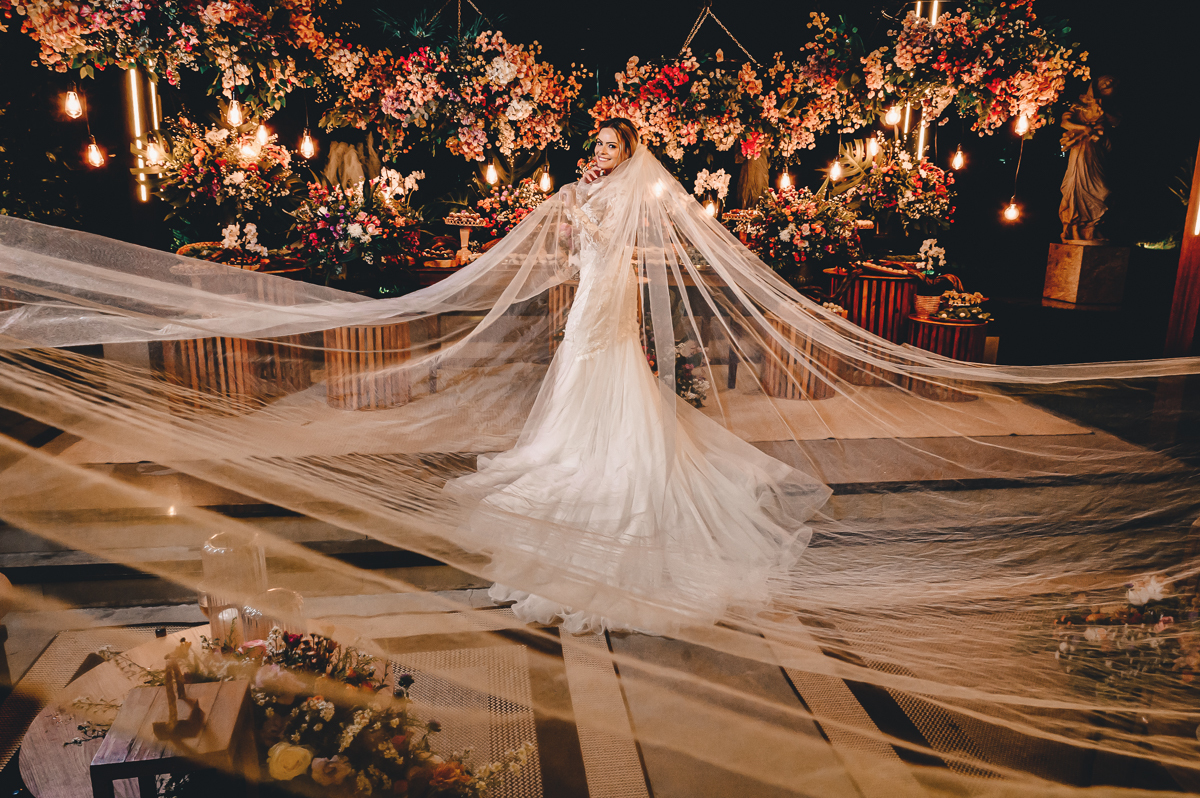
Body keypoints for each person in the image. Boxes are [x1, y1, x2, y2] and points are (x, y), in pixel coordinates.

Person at [445, 119, 831, 634]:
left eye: (612, 145)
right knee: (582, 357)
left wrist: (576, 206)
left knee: (596, 353)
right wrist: (576, 212)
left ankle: (604, 445)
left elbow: (611, 239)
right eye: (599, 143)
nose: (602, 151)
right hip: (593, 283)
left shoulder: (626, 190)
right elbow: (580, 249)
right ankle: (577, 435)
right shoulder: (595, 185)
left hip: (609, 287)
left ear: (628, 152)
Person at [1058, 76, 1119, 243]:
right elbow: (1065, 123)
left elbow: (1116, 122)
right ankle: (1076, 228)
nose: (1109, 84)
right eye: (1105, 82)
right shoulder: (1080, 105)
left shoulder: (1108, 109)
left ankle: (1093, 228)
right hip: (1081, 150)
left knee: (1101, 189)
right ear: (1095, 86)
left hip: (1098, 151)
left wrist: (1103, 111)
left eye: (1112, 83)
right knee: (1079, 187)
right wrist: (1084, 128)